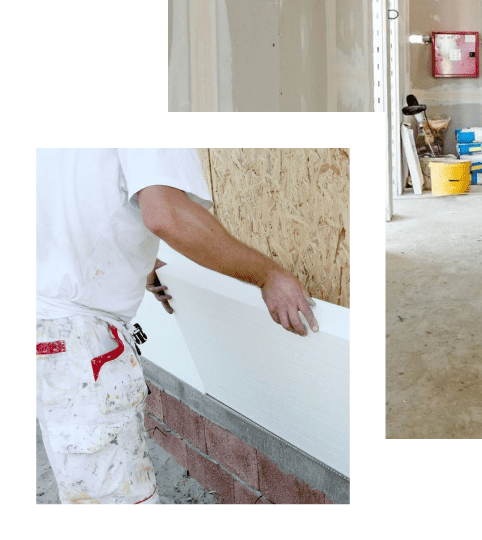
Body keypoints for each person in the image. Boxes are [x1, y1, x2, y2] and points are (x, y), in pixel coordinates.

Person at [36, 148, 318, 504]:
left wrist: (141, 264)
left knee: (88, 490)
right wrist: (268, 275)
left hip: (51, 338)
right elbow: (166, 214)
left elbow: (67, 216)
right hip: (77, 341)